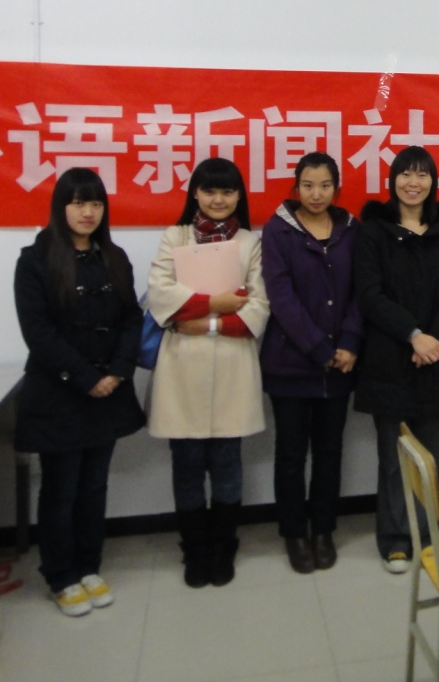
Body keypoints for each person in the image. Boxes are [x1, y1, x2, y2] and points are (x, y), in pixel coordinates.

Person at [13, 167, 145, 617]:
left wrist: (119, 371)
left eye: (95, 203)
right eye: (78, 203)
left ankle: (89, 566)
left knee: (94, 485)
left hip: (110, 389)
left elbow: (131, 319)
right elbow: (38, 332)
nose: (87, 212)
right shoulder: (36, 259)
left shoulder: (114, 256)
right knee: (61, 489)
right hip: (60, 393)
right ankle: (60, 575)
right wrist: (87, 378)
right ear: (61, 207)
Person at [145, 158, 269, 588]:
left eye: (228, 191)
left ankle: (223, 546)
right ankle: (194, 549)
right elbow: (161, 296)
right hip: (182, 368)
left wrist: (205, 320)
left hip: (232, 364)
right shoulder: (174, 237)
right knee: (187, 466)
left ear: (239, 196)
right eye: (210, 190)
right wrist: (219, 303)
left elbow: (257, 306)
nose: (219, 199)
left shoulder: (250, 242)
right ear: (195, 193)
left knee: (228, 464)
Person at [353, 146, 439, 573]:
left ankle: (427, 534)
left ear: (432, 182)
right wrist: (414, 336)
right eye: (405, 174)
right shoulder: (373, 232)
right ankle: (396, 539)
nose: (413, 183)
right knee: (393, 457)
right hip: (390, 359)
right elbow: (370, 295)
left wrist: (434, 340)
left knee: (430, 456)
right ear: (393, 180)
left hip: (437, 359)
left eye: (422, 175)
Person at [259, 152, 362, 574]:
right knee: (290, 454)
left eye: (324, 185)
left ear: (336, 188)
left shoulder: (352, 229)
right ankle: (294, 533)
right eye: (307, 185)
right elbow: (281, 298)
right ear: (296, 187)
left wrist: (350, 342)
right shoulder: (278, 230)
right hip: (291, 364)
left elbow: (361, 291)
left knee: (329, 452)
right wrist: (320, 349)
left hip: (341, 365)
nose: (316, 194)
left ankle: (323, 530)